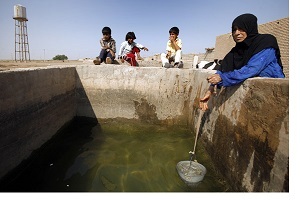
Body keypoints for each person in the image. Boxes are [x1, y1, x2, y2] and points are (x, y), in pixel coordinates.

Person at [199, 13, 285, 111]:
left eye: (241, 29)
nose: (237, 33)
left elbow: (252, 69)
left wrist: (222, 78)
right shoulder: (235, 51)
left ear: (250, 28)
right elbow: (222, 69)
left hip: (275, 95)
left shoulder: (266, 42)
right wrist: (210, 90)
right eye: (234, 29)